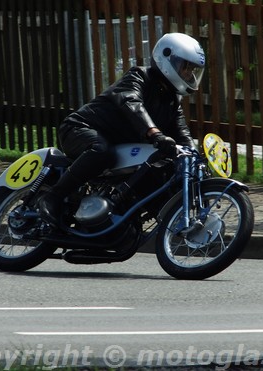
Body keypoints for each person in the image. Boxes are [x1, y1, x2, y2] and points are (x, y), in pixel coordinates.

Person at [38, 32, 206, 227]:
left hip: (117, 144)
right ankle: (52, 197)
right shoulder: (139, 76)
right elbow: (130, 102)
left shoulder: (172, 101)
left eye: (192, 70)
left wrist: (195, 158)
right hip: (81, 128)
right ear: (166, 57)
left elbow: (182, 134)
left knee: (158, 169)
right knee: (102, 152)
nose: (189, 74)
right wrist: (155, 133)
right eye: (185, 67)